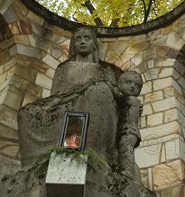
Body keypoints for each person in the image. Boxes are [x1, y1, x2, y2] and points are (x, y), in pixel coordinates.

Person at [17, 27, 119, 168]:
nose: (82, 42)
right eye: (78, 39)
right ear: (73, 45)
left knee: (100, 90)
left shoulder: (105, 70)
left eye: (87, 38)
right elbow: (56, 96)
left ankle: (97, 154)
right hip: (63, 107)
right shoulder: (63, 68)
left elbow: (113, 98)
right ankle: (36, 163)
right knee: (26, 113)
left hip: (93, 109)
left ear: (94, 44)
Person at [116, 70, 144, 180]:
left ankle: (128, 171)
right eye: (129, 82)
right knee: (126, 151)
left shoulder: (132, 100)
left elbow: (117, 98)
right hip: (125, 130)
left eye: (137, 85)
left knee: (125, 148)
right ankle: (135, 177)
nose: (132, 86)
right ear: (120, 83)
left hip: (129, 130)